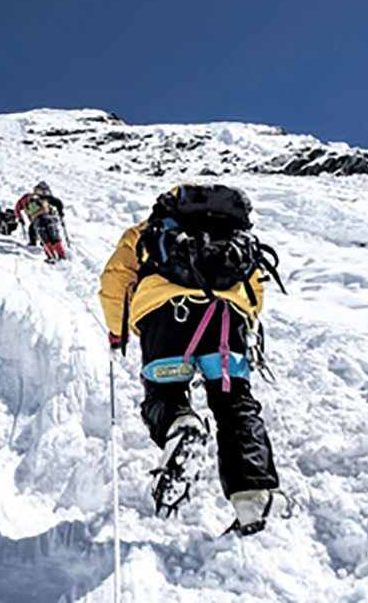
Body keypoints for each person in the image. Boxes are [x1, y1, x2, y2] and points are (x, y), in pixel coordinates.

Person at [98, 184, 283, 536]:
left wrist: (117, 331)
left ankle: (180, 425)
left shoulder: (147, 231)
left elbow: (116, 280)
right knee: (234, 403)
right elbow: (254, 287)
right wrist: (246, 322)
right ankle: (251, 496)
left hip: (165, 317)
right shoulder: (235, 236)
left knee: (164, 393)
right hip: (228, 317)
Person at [14, 181, 67, 260]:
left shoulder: (25, 198)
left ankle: (50, 256)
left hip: (36, 221)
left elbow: (17, 208)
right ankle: (62, 255)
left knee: (45, 239)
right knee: (54, 237)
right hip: (50, 218)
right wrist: (61, 213)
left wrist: (20, 219)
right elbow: (58, 203)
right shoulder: (44, 197)